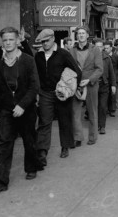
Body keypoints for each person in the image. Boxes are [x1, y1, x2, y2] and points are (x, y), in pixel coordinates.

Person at [0, 27, 41, 193]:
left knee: (29, 140)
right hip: (6, 110)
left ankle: (32, 166)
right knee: (4, 144)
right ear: (2, 42)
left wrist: (22, 105)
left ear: (18, 41)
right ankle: (0, 179)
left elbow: (34, 87)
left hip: (27, 109)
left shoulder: (27, 60)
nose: (8, 43)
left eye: (11, 39)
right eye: (5, 40)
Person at [35, 29, 81, 166]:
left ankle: (65, 146)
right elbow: (35, 75)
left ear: (53, 39)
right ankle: (42, 151)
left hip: (62, 93)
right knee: (44, 121)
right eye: (42, 42)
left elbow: (77, 71)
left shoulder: (63, 54)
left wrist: (71, 87)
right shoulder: (38, 56)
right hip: (45, 93)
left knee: (64, 120)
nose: (45, 44)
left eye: (47, 41)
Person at [70, 26, 103, 146]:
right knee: (75, 112)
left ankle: (92, 137)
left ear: (87, 35)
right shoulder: (72, 50)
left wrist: (89, 80)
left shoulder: (95, 50)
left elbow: (99, 69)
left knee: (92, 111)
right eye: (79, 33)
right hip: (76, 84)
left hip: (91, 84)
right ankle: (78, 137)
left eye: (83, 33)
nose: (81, 35)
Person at [95, 39, 116, 134]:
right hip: (93, 84)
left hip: (104, 84)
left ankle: (102, 126)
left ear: (103, 47)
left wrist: (113, 85)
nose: (99, 48)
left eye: (100, 46)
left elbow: (112, 72)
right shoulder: (90, 57)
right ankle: (95, 125)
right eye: (97, 46)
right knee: (94, 106)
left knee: (103, 106)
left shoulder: (107, 58)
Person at [104, 41, 118, 117]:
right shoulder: (103, 57)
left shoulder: (116, 56)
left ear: (111, 48)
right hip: (106, 78)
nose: (105, 50)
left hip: (115, 78)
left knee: (113, 94)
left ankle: (112, 110)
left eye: (107, 48)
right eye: (104, 48)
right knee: (106, 94)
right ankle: (105, 109)